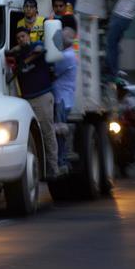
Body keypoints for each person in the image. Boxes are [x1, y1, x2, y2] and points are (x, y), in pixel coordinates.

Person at [8, 27, 59, 178]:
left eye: (23, 36)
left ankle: (53, 168)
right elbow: (8, 53)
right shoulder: (17, 54)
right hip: (27, 100)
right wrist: (18, 53)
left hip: (42, 97)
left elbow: (39, 49)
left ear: (28, 36)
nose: (21, 39)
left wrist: (24, 61)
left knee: (47, 133)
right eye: (18, 38)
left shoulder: (37, 46)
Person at [52, 27, 78, 167]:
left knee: (59, 131)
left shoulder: (65, 56)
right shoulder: (70, 54)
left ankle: (62, 161)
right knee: (61, 131)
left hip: (61, 98)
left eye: (61, 38)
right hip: (65, 97)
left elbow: (54, 72)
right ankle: (62, 160)